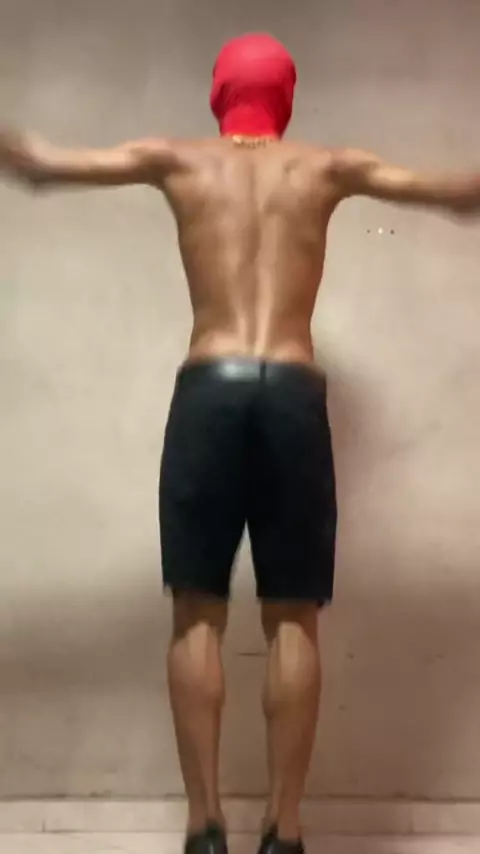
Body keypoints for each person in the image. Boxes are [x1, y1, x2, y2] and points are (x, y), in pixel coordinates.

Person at [1, 29, 480, 854]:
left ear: (219, 95)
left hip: (209, 391)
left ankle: (204, 829)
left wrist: (18, 147)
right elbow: (456, 193)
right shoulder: (327, 167)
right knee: (294, 618)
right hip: (292, 392)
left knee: (197, 613)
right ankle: (284, 833)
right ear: (286, 98)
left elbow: (41, 163)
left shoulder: (176, 159)